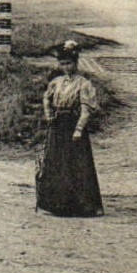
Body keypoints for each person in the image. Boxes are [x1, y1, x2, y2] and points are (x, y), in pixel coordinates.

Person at [36, 45, 104, 217]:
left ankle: (81, 205)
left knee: (76, 163)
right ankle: (55, 204)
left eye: (69, 64)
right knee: (56, 162)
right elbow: (46, 97)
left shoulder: (83, 84)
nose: (66, 67)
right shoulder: (57, 82)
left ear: (76, 63)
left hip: (73, 125)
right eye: (63, 64)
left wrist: (79, 129)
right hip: (58, 124)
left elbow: (86, 109)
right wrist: (49, 114)